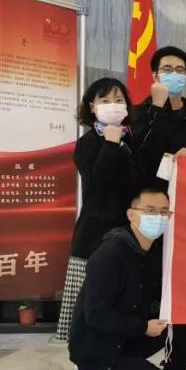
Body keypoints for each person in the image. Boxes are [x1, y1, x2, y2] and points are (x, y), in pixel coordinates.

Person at [68, 187, 186, 370]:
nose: (158, 218)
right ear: (131, 214)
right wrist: (143, 328)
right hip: (99, 348)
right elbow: (96, 315)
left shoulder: (155, 251)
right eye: (150, 211)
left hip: (127, 336)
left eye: (164, 212)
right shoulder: (109, 254)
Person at [55, 78, 140, 342]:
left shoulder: (131, 139)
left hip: (126, 232)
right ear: (92, 106)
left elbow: (137, 182)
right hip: (94, 235)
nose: (113, 105)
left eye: (119, 100)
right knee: (88, 310)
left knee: (119, 302)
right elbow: (96, 184)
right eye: (105, 100)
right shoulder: (88, 142)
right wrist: (110, 145)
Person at [131, 46, 186, 186]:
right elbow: (138, 156)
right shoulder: (137, 114)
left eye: (180, 70)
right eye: (167, 69)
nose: (174, 74)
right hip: (147, 193)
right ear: (155, 76)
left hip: (185, 191)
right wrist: (157, 108)